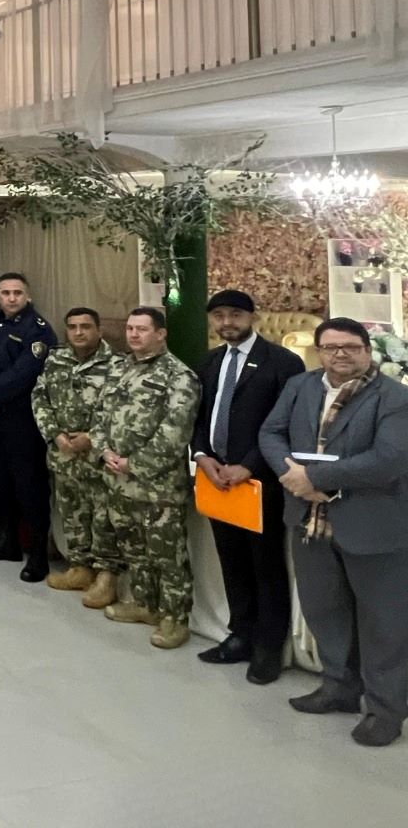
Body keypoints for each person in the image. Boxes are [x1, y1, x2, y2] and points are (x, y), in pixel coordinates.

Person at [260, 317, 408, 747]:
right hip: (309, 522)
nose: (340, 354)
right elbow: (271, 432)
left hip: (373, 526)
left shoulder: (395, 397)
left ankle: (385, 710)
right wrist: (292, 475)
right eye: (330, 347)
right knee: (325, 611)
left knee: (384, 624)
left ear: (367, 351)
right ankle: (339, 687)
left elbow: (390, 459)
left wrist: (317, 479)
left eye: (350, 346)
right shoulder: (301, 387)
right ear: (319, 352)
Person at [192, 290, 305, 684]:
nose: (227, 323)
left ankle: (268, 648)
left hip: (261, 481)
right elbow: (198, 417)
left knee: (265, 565)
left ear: (252, 317)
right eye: (219, 316)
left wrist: (249, 465)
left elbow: (287, 423)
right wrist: (201, 456)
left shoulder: (283, 363)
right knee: (232, 561)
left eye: (235, 315)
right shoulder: (209, 361)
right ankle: (240, 634)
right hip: (217, 479)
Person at [88, 307, 201, 649]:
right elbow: (98, 414)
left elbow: (175, 432)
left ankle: (175, 619)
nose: (134, 335)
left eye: (142, 329)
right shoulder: (118, 368)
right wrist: (103, 451)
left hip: (158, 485)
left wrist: (133, 464)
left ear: (161, 334)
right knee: (134, 549)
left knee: (167, 555)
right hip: (117, 481)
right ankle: (144, 604)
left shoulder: (179, 376)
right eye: (130, 328)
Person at [0, 272, 57, 580]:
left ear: (27, 295)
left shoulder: (38, 330)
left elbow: (23, 374)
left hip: (21, 421)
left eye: (17, 292)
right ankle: (8, 543)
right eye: (5, 293)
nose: (12, 298)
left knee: (29, 488)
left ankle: (38, 555)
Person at [31, 308, 122, 606]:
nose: (79, 332)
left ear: (99, 330)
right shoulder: (56, 359)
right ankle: (79, 567)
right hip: (64, 454)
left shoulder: (117, 364)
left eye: (86, 326)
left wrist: (91, 437)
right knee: (72, 515)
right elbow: (39, 397)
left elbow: (121, 411)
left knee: (103, 518)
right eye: (72, 327)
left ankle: (106, 578)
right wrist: (54, 434)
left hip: (99, 457)